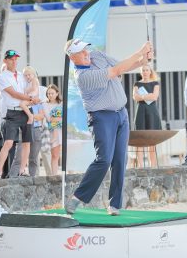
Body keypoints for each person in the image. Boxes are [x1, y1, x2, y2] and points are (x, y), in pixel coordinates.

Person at [64, 38, 153, 216]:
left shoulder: (95, 55)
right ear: (72, 58)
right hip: (101, 117)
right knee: (104, 160)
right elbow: (116, 71)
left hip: (122, 114)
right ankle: (77, 198)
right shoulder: (82, 77)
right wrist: (140, 51)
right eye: (81, 52)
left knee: (120, 160)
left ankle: (114, 205)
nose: (86, 53)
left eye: (85, 49)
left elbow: (121, 66)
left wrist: (142, 61)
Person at [0, 50, 39, 179]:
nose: (14, 62)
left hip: (25, 111)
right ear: (5, 61)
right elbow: (13, 94)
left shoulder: (22, 75)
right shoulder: (1, 77)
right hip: (12, 112)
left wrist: (35, 97)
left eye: (15, 59)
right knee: (8, 143)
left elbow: (31, 86)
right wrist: (30, 99)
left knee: (26, 143)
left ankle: (22, 170)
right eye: (11, 59)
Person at [132, 64, 161, 168]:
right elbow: (135, 97)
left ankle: (152, 166)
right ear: (141, 72)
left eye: (146, 70)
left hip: (152, 113)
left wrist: (142, 96)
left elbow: (155, 97)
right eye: (143, 70)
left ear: (150, 72)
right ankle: (140, 166)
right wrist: (147, 96)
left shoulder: (155, 83)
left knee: (151, 141)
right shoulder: (137, 84)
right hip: (140, 112)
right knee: (139, 140)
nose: (145, 72)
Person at [43, 84, 63, 175]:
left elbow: (66, 118)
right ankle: (54, 175)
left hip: (62, 130)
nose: (50, 95)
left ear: (57, 93)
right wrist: (59, 118)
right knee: (55, 155)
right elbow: (49, 118)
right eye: (48, 93)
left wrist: (58, 118)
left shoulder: (62, 104)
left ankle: (68, 173)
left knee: (67, 155)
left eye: (52, 93)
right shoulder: (45, 104)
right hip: (52, 130)